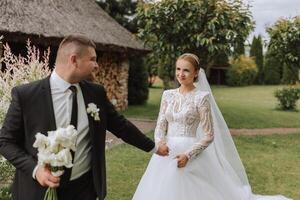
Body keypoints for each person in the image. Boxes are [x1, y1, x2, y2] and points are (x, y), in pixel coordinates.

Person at [0, 35, 169, 200]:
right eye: (93, 59)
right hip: (37, 191)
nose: (96, 65)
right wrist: (36, 170)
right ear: (74, 60)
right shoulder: (27, 95)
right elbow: (5, 141)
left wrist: (154, 148)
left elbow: (121, 126)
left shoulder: (95, 93)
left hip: (84, 189)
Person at [132, 53, 291, 200]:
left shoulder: (201, 98)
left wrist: (188, 155)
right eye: (178, 69)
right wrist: (159, 142)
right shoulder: (167, 95)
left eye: (186, 70)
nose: (181, 74)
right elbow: (160, 124)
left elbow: (208, 135)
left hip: (189, 151)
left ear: (196, 73)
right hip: (165, 152)